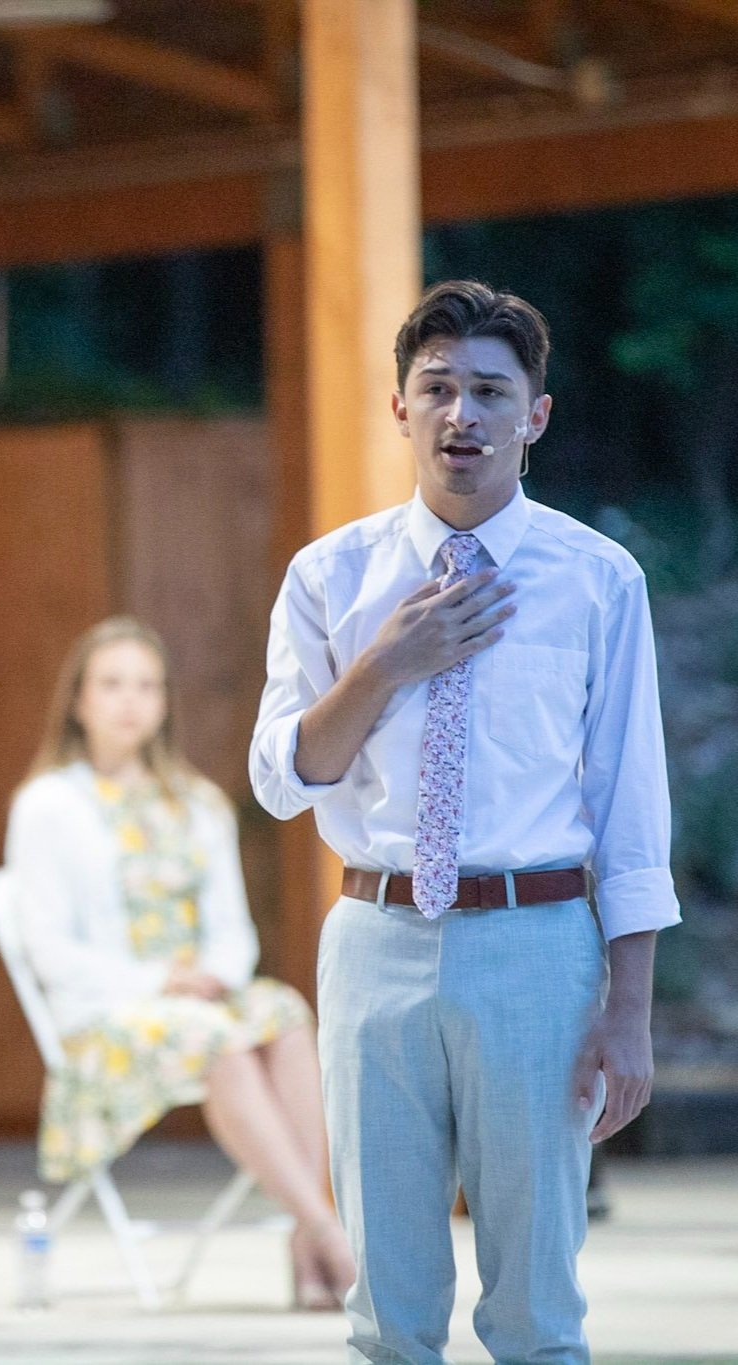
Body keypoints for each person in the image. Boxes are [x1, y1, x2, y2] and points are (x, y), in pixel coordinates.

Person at [249, 279, 680, 1364]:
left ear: (533, 414)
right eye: (435, 388)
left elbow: (630, 810)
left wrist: (627, 1010)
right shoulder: (328, 577)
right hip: (373, 941)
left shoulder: (596, 580)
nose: (461, 415)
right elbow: (280, 777)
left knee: (536, 1313)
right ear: (398, 407)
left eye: (489, 391)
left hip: (536, 951)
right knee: (386, 1317)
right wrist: (389, 663)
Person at [5, 616, 355, 1310]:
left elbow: (231, 929)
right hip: (111, 1013)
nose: (129, 700)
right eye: (111, 684)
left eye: (146, 685)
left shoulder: (196, 803)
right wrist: (156, 982)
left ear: (165, 702)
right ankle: (326, 1235)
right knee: (217, 1039)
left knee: (285, 1014)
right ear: (77, 700)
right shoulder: (46, 806)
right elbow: (51, 949)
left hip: (202, 999)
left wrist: (215, 976)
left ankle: (304, 1237)